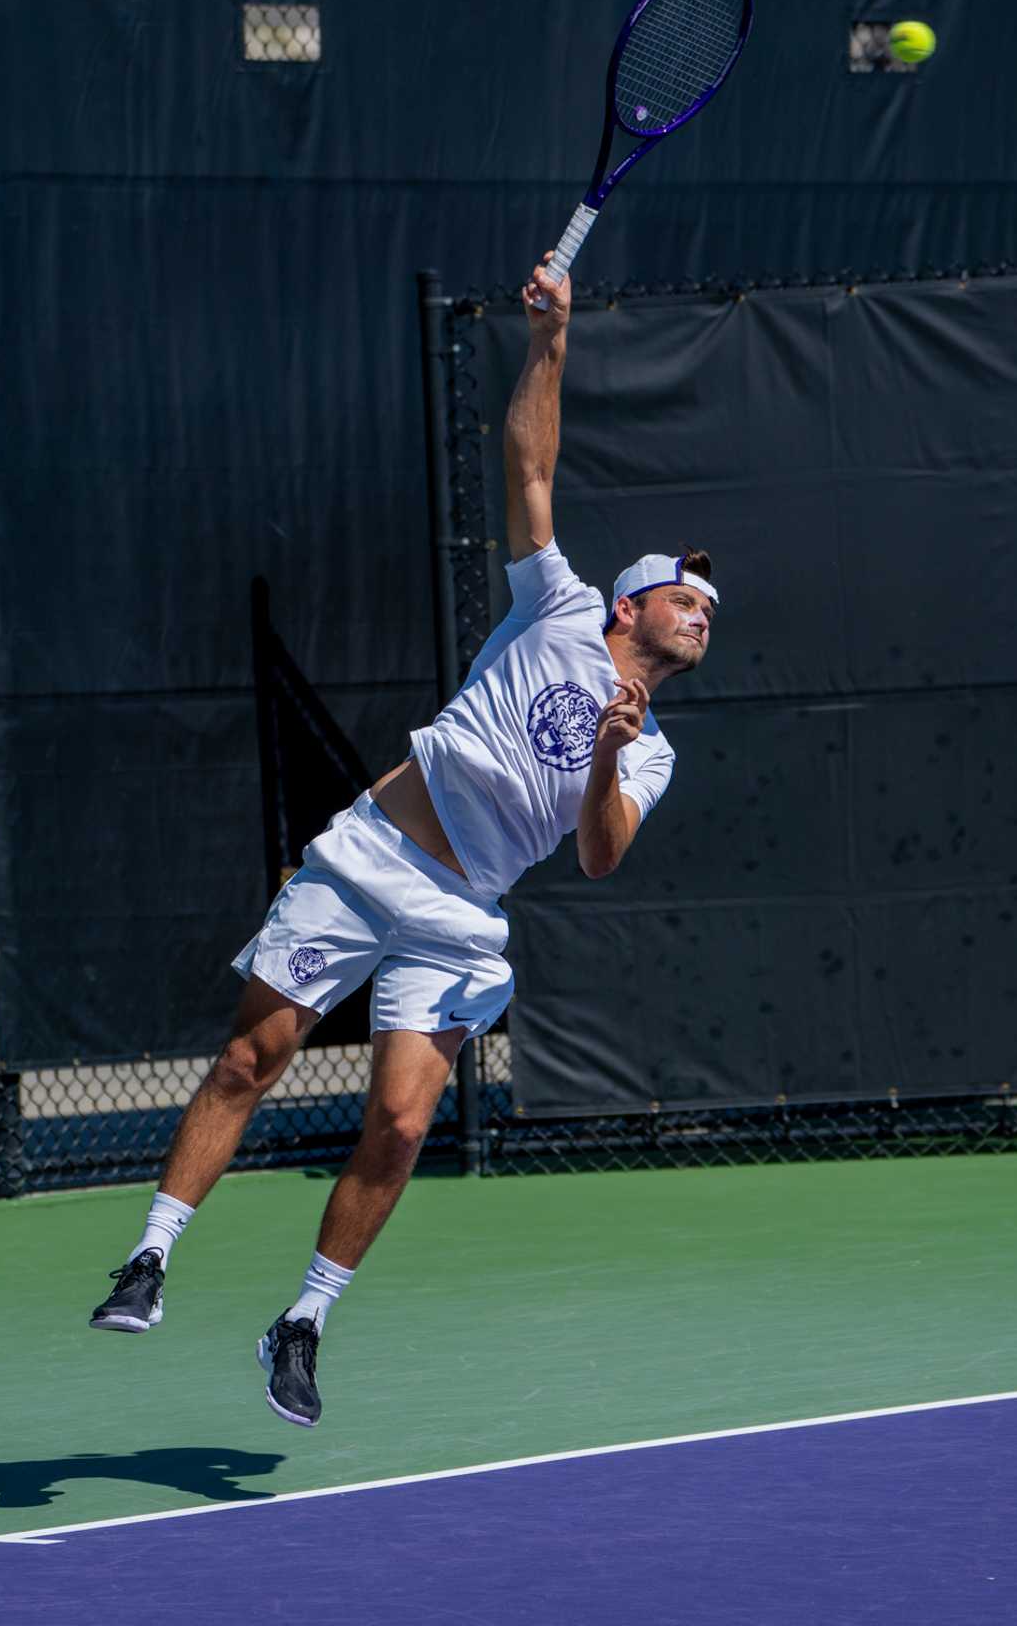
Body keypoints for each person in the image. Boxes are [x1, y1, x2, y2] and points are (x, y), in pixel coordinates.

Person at [87, 255, 719, 1426]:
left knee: (403, 1121)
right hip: (371, 854)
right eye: (684, 598)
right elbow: (528, 463)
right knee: (250, 1059)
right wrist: (549, 340)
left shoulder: (651, 752)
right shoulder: (562, 606)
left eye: (710, 613)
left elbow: (594, 856)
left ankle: (302, 1322)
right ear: (629, 606)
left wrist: (599, 752)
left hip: (461, 914)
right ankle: (150, 1256)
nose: (701, 614)